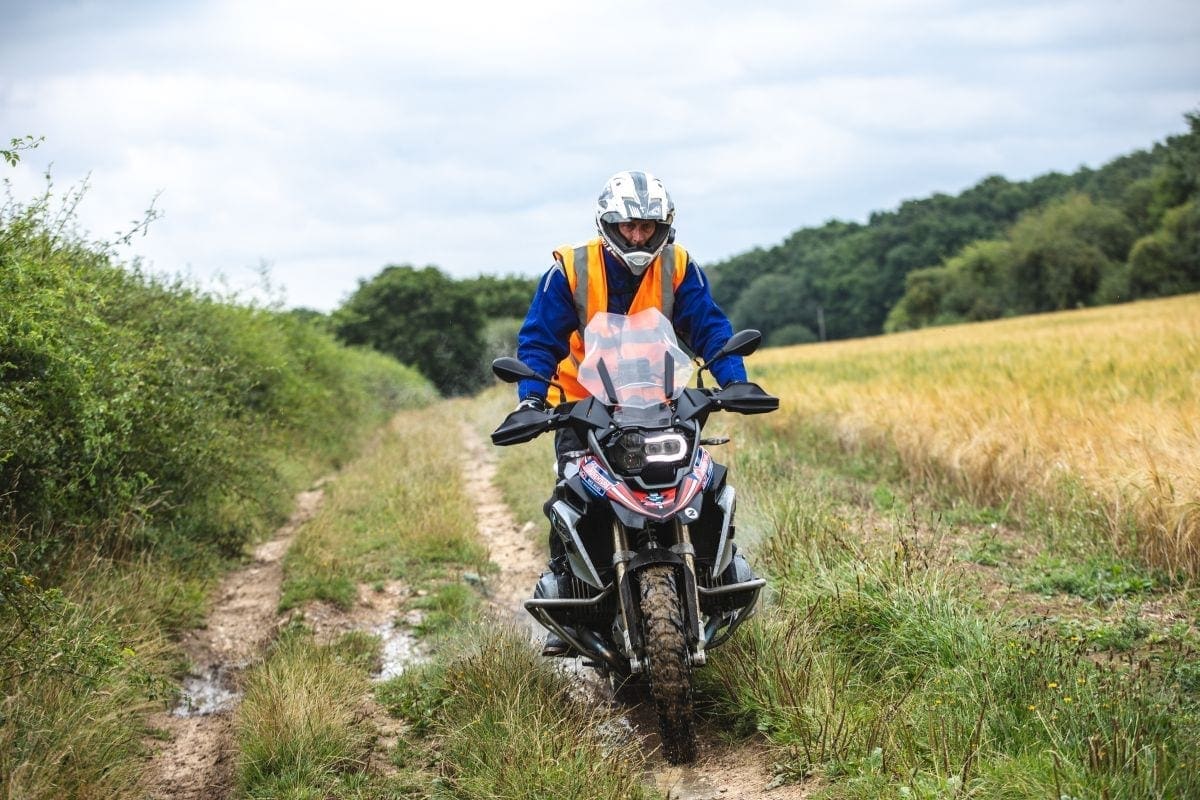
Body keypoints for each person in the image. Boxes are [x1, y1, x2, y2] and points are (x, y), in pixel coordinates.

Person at [507, 169, 750, 655]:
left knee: (702, 481)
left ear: (665, 226)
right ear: (608, 225)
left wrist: (736, 382)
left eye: (648, 227)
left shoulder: (678, 265)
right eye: (628, 227)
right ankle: (571, 596)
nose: (638, 236)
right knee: (571, 495)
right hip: (585, 406)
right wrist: (533, 400)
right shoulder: (570, 269)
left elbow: (710, 328)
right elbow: (539, 341)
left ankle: (716, 575)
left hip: (659, 402)